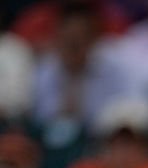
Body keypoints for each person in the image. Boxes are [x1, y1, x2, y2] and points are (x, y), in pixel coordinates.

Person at [32, 0, 129, 129]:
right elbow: (38, 117)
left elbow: (120, 116)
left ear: (93, 40)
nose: (72, 48)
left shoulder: (114, 70)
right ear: (57, 38)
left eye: (78, 41)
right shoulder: (45, 70)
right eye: (67, 40)